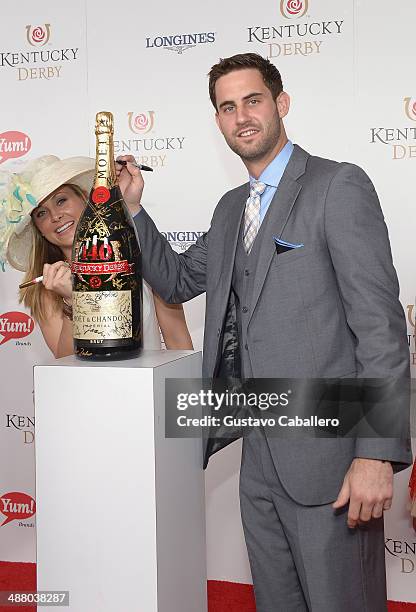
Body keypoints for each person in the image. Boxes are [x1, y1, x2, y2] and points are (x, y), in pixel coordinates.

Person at [115, 53, 412, 611]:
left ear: (281, 104)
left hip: (332, 461)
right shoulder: (231, 209)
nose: (241, 116)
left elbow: (380, 328)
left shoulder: (337, 186)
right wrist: (133, 211)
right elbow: (176, 280)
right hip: (257, 462)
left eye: (252, 100)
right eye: (227, 108)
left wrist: (376, 453)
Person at [0, 155, 193, 357]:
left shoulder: (140, 255)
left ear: (85, 199)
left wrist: (186, 389)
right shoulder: (47, 287)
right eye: (41, 213)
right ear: (38, 229)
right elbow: (65, 362)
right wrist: (72, 302)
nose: (55, 216)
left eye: (61, 200)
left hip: (146, 386)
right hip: (86, 388)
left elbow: (178, 341)